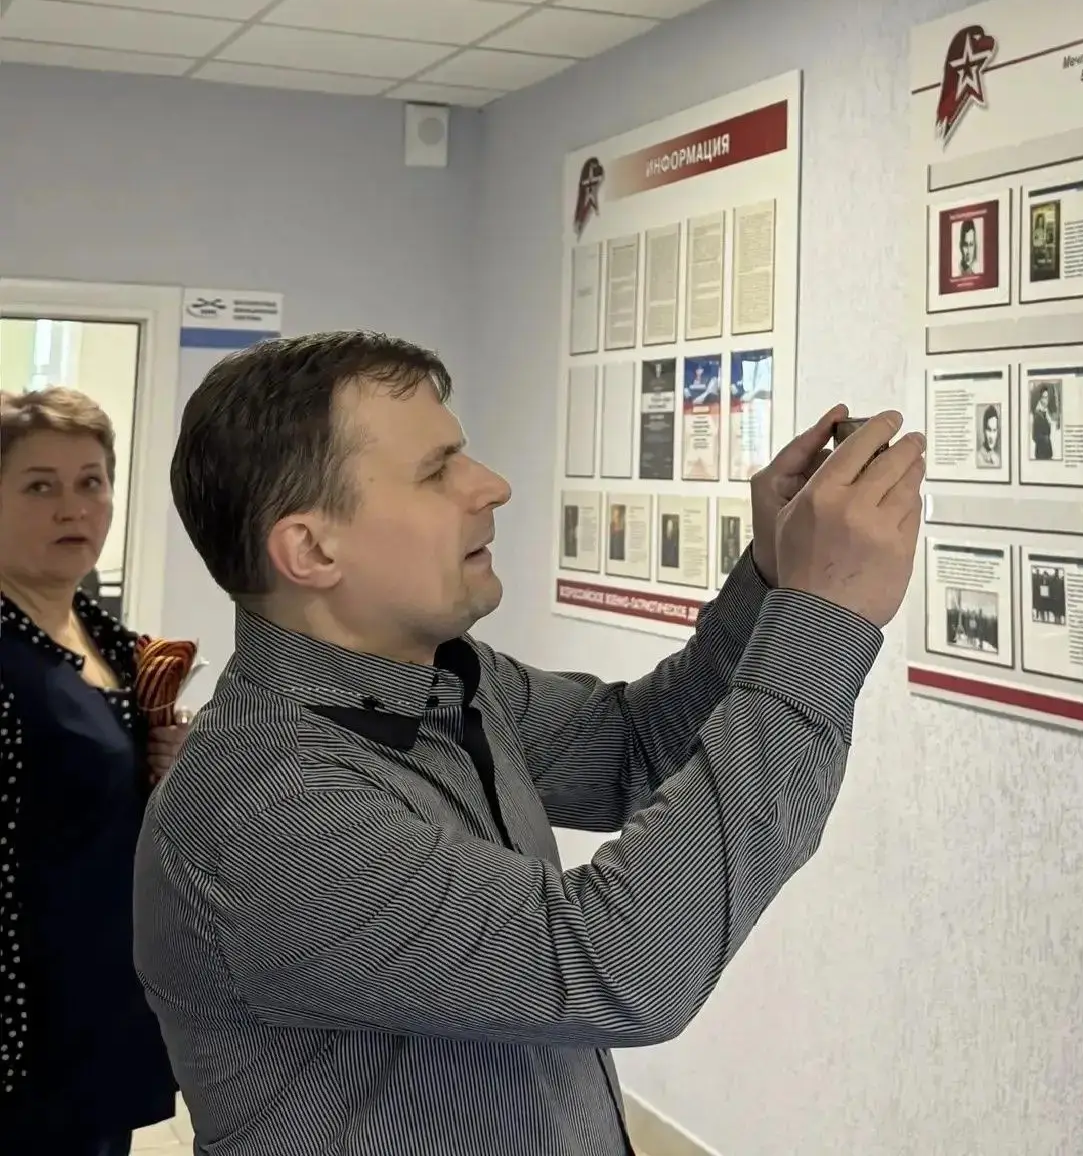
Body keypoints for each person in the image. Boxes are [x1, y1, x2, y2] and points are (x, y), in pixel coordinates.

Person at [134, 331, 923, 1156]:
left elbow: (635, 747)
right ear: (312, 549)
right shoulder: (267, 815)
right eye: (437, 470)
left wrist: (770, 575)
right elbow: (619, 965)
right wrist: (821, 622)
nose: (493, 486)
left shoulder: (447, 680)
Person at [0, 387, 187, 1156]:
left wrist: (169, 770)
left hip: (102, 1009)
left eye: (91, 482)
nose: (73, 507)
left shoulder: (114, 644)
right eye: (39, 486)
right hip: (21, 1038)